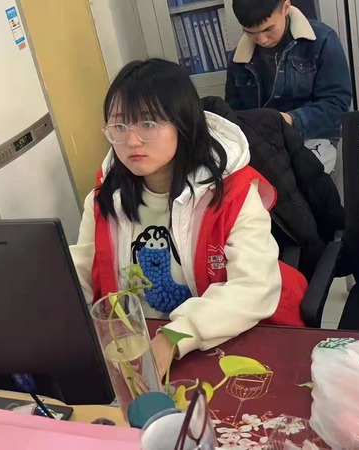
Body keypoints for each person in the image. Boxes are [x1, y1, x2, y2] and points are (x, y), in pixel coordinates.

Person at [70, 59, 307, 373]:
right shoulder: (104, 200)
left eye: (148, 124)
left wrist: (174, 336)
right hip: (134, 348)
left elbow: (253, 287)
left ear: (183, 124)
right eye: (119, 126)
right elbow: (82, 271)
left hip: (215, 343)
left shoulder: (232, 194)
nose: (132, 141)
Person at [226, 0, 352, 174]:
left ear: (286, 8)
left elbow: (337, 105)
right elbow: (232, 113)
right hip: (262, 141)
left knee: (301, 178)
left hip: (313, 134)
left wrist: (288, 120)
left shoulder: (322, 40)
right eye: (250, 33)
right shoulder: (238, 59)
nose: (262, 40)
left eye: (268, 29)